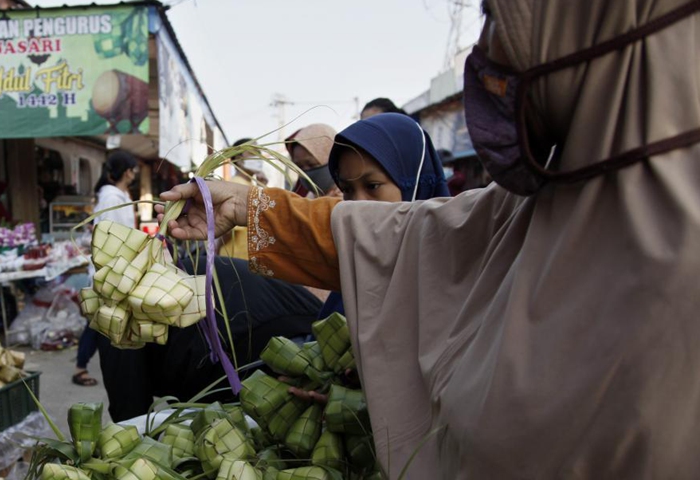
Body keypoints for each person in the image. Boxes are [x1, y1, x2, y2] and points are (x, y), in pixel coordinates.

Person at [159, 0, 700, 477]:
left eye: (494, 14)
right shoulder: (561, 184)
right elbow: (416, 239)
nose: (484, 51)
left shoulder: (670, 220)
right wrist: (252, 209)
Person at [96, 255, 323, 422]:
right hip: (320, 331)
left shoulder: (117, 326)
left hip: (254, 352)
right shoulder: (180, 271)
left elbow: (130, 413)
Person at [318, 112, 449, 319]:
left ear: (414, 182)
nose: (357, 205)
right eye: (347, 189)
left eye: (372, 186)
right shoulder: (353, 264)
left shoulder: (451, 275)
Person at [74, 150, 139, 387]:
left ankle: (91, 366)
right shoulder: (111, 197)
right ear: (126, 171)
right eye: (133, 168)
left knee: (100, 321)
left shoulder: (119, 194)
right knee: (97, 322)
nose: (134, 173)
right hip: (111, 268)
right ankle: (82, 367)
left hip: (118, 267)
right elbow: (109, 234)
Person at [219, 139, 267, 259]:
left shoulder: (251, 186)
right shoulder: (237, 187)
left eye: (259, 153)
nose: (258, 157)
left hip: (246, 259)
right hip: (235, 259)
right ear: (238, 160)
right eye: (253, 153)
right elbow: (226, 230)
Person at [285, 124, 340, 198]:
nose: (306, 173)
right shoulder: (304, 201)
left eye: (312, 164)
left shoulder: (351, 200)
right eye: (300, 167)